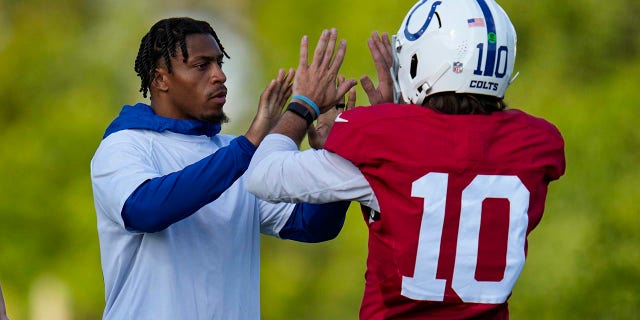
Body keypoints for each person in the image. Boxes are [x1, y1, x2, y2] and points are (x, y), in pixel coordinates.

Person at [246, 0, 566, 318]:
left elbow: (263, 175)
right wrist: (394, 114)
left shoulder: (384, 139)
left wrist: (304, 104)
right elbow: (454, 161)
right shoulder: (535, 143)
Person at [90, 17, 350, 320]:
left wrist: (334, 154)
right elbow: (144, 210)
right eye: (202, 65)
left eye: (219, 63)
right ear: (160, 79)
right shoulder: (124, 145)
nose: (220, 76)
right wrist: (251, 144)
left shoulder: (232, 154)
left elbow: (313, 225)